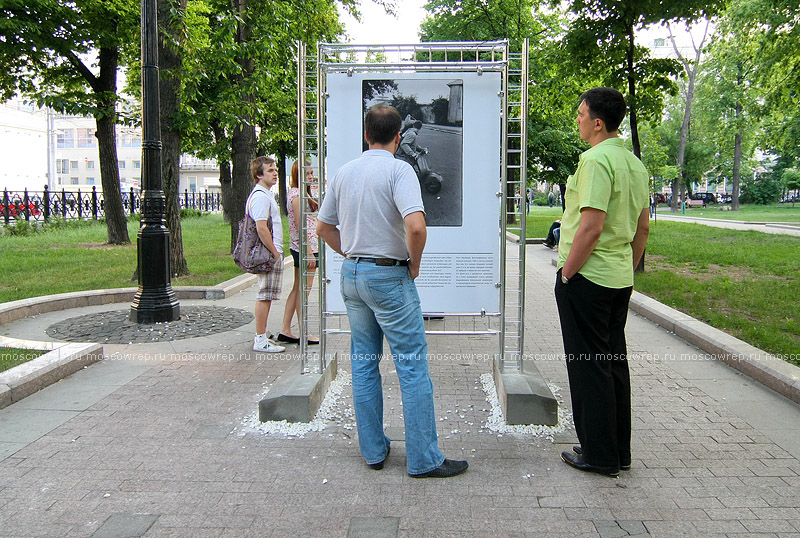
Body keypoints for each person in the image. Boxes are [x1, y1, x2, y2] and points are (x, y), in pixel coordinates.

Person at [316, 104, 468, 479]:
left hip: (352, 275)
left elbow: (322, 227)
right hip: (388, 276)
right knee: (412, 367)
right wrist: (414, 265)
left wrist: (350, 253)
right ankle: (423, 458)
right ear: (399, 136)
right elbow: (416, 227)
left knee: (364, 364)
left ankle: (373, 451)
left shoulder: (345, 172)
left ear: (366, 134)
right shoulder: (400, 170)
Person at [555, 87, 650, 477]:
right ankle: (617, 451)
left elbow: (590, 227)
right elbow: (642, 227)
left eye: (581, 115)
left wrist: (567, 273)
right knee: (613, 363)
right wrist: (625, 267)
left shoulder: (595, 161)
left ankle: (598, 455)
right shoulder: (634, 165)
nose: (577, 120)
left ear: (597, 122)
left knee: (588, 366)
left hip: (587, 278)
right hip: (617, 279)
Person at [277, 161, 320, 345]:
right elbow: (301, 224)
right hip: (306, 248)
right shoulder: (297, 195)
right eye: (307, 174)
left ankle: (285, 329)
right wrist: (309, 251)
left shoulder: (303, 193)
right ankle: (304, 331)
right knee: (304, 290)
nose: (310, 177)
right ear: (298, 175)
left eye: (311, 173)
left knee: (298, 288)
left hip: (303, 247)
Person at [248, 156, 286, 353]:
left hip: (270, 252)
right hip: (268, 253)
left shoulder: (266, 195)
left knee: (267, 295)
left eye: (275, 169)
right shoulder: (261, 197)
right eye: (270, 170)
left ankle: (262, 334)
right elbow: (261, 227)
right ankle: (260, 339)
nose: (275, 172)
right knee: (265, 295)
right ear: (258, 174)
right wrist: (274, 252)